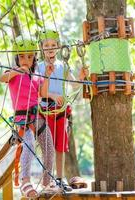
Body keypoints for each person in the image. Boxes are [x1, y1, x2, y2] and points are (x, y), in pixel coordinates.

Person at [0, 35, 55, 198]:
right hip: (22, 119)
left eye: (30, 57)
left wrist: (47, 75)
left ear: (34, 59)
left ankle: (47, 181)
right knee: (29, 144)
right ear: (16, 57)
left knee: (49, 148)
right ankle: (25, 181)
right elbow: (2, 78)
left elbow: (43, 93)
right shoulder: (12, 74)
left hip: (37, 116)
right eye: (22, 56)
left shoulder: (36, 75)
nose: (26, 60)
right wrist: (17, 71)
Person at [37, 29, 88, 191]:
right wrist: (51, 95)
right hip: (45, 111)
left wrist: (81, 77)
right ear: (42, 48)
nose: (50, 48)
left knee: (61, 146)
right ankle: (48, 178)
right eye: (46, 45)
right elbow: (38, 91)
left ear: (58, 47)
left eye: (53, 45)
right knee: (48, 147)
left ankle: (60, 178)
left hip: (60, 112)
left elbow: (74, 86)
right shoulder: (38, 67)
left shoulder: (63, 66)